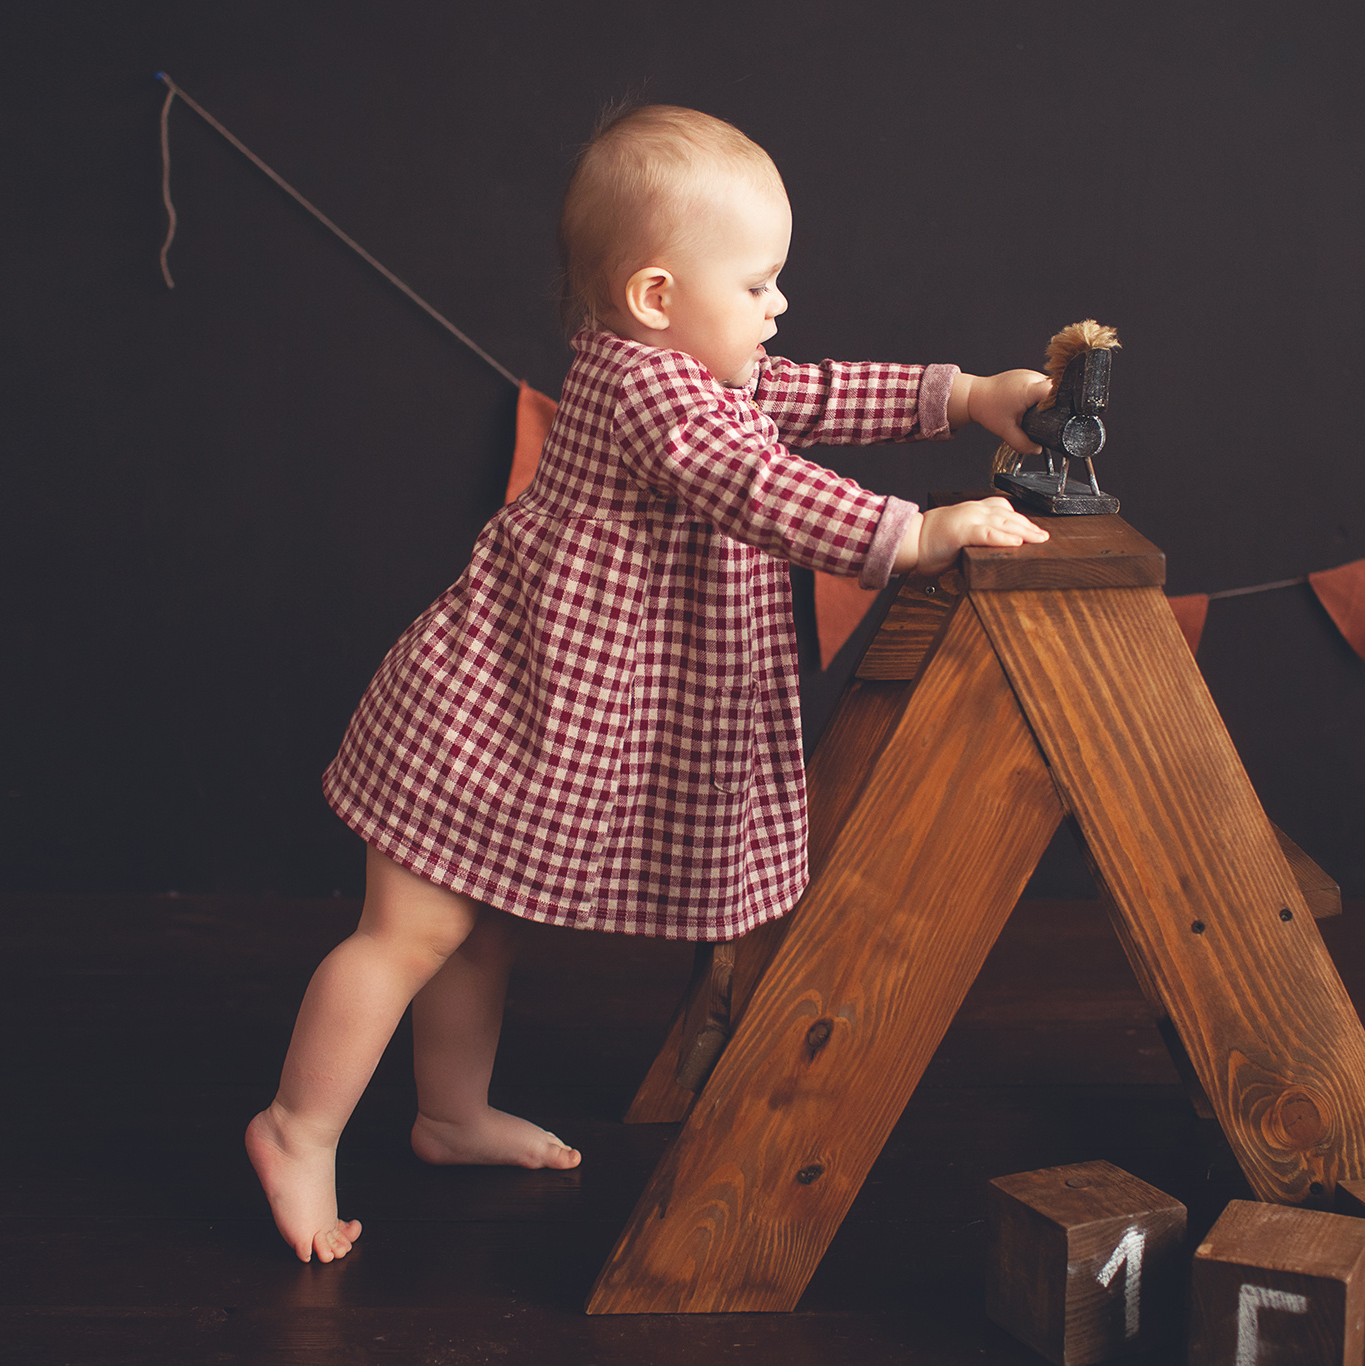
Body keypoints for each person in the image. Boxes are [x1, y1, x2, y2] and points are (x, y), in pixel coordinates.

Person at [245, 103, 1052, 1263]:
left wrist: (964, 394)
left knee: (478, 936)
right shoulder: (651, 393)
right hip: (486, 710)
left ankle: (447, 1114)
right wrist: (915, 533)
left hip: (536, 717)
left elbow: (813, 397)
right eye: (759, 285)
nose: (779, 310)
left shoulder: (697, 371)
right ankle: (295, 1126)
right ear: (656, 299)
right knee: (409, 932)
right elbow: (751, 485)